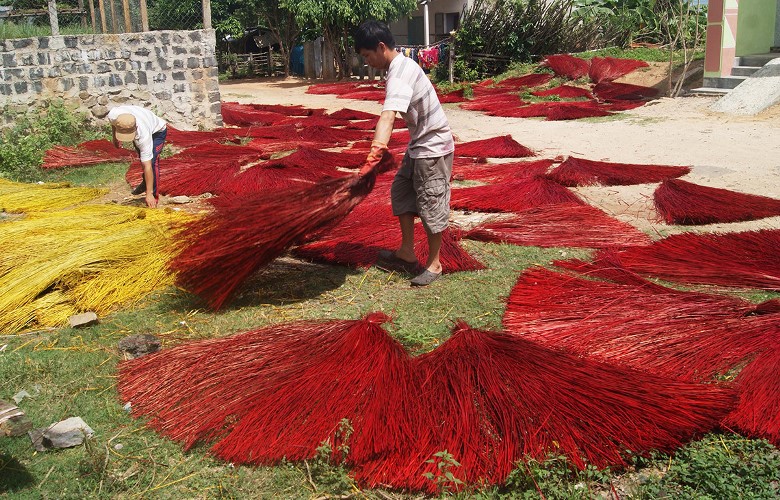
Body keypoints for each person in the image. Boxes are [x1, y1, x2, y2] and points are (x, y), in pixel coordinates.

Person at [355, 20, 455, 287]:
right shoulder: (398, 68)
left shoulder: (400, 72)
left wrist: (374, 157)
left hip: (432, 148)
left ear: (380, 47)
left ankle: (434, 264)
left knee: (430, 204)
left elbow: (388, 116)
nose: (367, 62)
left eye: (367, 56)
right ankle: (407, 252)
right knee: (401, 190)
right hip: (419, 145)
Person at [107, 105, 168, 208]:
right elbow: (113, 124)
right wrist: (115, 138)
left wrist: (148, 195)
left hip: (158, 132)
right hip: (143, 125)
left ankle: (152, 196)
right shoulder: (114, 115)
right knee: (143, 159)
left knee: (151, 163)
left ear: (135, 128)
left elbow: (147, 166)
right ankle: (146, 184)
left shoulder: (143, 136)